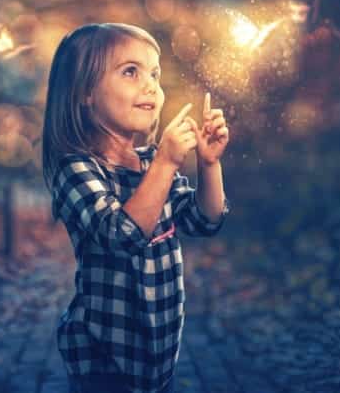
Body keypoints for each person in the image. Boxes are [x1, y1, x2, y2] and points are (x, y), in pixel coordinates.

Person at [41, 23, 230, 393]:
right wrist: (166, 163)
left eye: (154, 75)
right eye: (131, 71)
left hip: (158, 357)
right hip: (103, 361)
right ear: (85, 93)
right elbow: (120, 235)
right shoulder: (76, 169)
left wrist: (209, 164)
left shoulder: (150, 163)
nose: (151, 86)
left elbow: (204, 220)